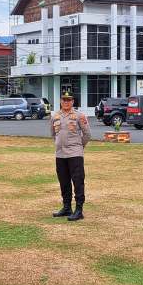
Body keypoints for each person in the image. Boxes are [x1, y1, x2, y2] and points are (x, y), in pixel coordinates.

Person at [50, 92, 91, 221]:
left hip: (75, 154)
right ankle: (67, 207)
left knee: (78, 181)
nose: (66, 102)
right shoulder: (55, 116)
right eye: (64, 100)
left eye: (69, 100)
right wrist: (58, 144)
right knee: (64, 181)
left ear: (73, 102)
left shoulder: (79, 116)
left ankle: (79, 210)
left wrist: (79, 146)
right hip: (60, 154)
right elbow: (53, 134)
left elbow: (87, 134)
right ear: (61, 101)